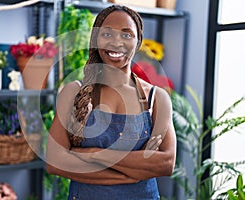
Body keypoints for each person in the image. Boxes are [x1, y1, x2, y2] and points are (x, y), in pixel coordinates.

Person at [46, 4, 176, 200]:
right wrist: (132, 173)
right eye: (107, 34)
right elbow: (55, 162)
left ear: (138, 41)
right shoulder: (74, 92)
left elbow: (165, 164)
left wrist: (95, 154)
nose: (116, 43)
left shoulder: (157, 99)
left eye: (126, 35)